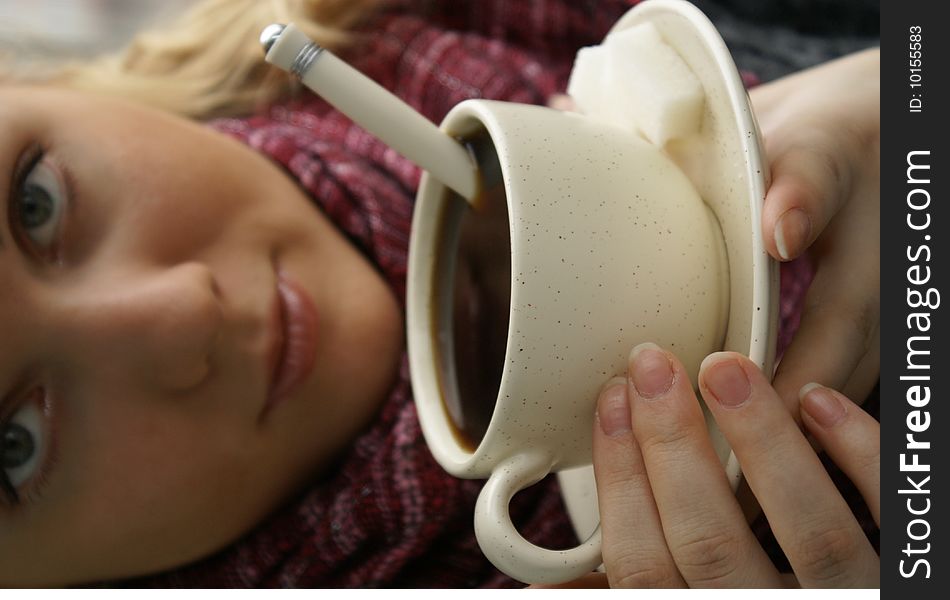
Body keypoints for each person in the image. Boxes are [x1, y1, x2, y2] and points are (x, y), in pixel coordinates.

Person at [0, 0, 879, 587]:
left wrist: (902, 94)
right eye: (16, 443)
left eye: (34, 200)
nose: (181, 316)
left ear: (44, 89)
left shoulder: (409, 18)